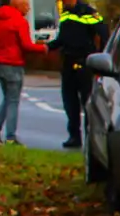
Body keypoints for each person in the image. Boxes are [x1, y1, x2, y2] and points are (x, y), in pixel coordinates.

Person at [0, 0, 47, 146]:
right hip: (13, 64)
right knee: (13, 101)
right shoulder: (20, 21)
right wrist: (43, 49)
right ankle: (10, 137)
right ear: (17, 5)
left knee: (7, 98)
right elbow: (26, 45)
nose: (29, 7)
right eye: (26, 4)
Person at [47, 0, 108, 148]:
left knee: (87, 102)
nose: (62, 2)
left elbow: (104, 33)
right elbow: (62, 39)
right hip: (68, 62)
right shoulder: (66, 15)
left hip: (85, 63)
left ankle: (90, 138)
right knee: (70, 102)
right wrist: (48, 47)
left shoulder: (88, 12)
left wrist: (102, 56)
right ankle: (74, 136)